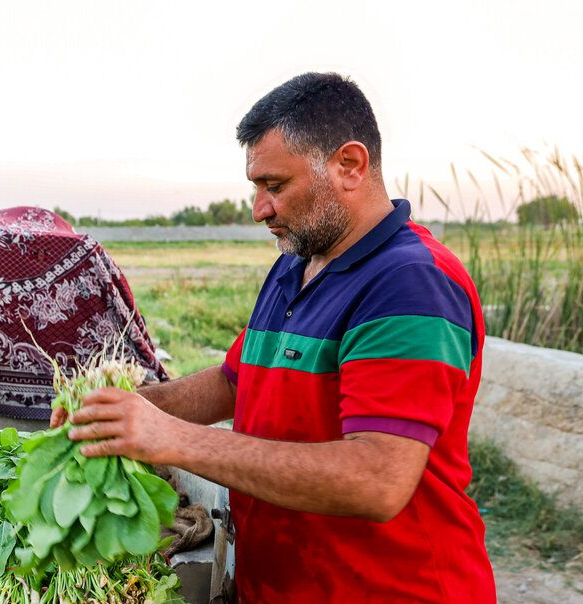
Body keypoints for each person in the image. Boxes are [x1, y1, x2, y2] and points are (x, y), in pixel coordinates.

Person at [54, 73, 496, 602]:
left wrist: (170, 439)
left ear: (349, 165)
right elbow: (233, 382)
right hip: (284, 584)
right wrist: (124, 410)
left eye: (275, 186)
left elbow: (376, 478)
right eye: (256, 188)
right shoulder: (295, 266)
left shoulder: (410, 283)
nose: (260, 209)